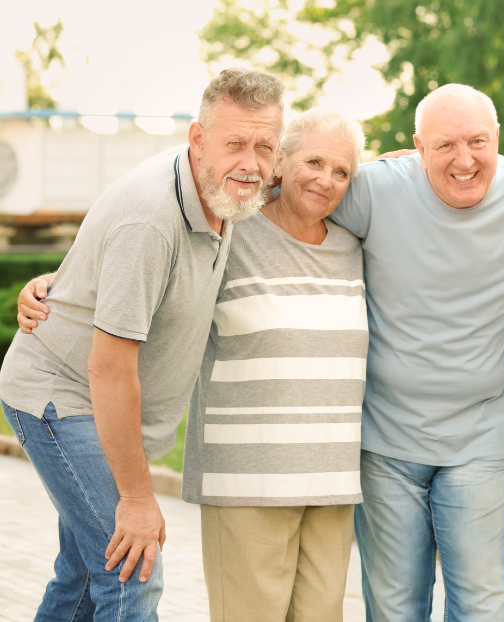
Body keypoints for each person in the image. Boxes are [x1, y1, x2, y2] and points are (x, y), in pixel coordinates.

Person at [3, 68, 284, 621]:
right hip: (64, 396)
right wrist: (136, 499)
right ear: (198, 140)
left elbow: (329, 165)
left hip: (91, 396)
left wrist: (421, 165)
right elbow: (108, 369)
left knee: (86, 573)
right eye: (235, 144)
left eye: (265, 147)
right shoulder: (152, 221)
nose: (251, 163)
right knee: (133, 571)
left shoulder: (236, 181)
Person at [326, 83, 504, 622]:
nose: (464, 160)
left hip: (481, 432)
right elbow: (291, 190)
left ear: (499, 139)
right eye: (444, 146)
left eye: (478, 142)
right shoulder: (376, 190)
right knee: (393, 605)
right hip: (385, 437)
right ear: (416, 146)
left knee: (480, 601)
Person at [181, 107, 368, 622]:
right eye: (314, 161)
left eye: (342, 171)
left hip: (331, 482)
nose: (326, 179)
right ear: (280, 162)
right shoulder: (230, 232)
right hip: (246, 483)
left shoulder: (355, 249)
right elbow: (151, 268)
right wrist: (57, 286)